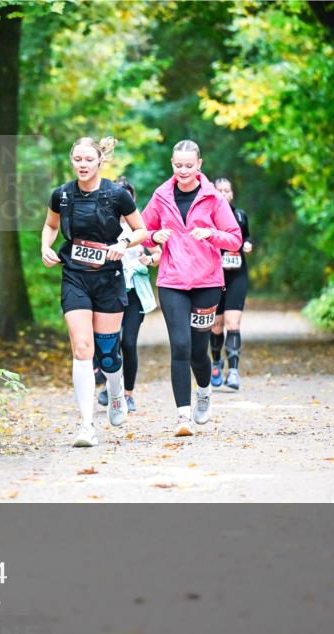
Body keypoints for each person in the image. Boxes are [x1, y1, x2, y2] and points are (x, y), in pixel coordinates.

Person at [41, 137, 148, 447]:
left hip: (108, 277)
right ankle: (86, 426)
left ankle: (116, 393)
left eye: (89, 159)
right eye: (77, 159)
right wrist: (45, 246)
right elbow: (50, 225)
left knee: (108, 353)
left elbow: (140, 230)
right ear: (72, 161)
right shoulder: (61, 195)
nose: (83, 164)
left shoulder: (116, 195)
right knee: (82, 348)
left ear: (100, 161)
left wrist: (123, 244)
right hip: (74, 275)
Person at [142, 140, 242, 437]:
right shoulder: (161, 195)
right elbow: (143, 232)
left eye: (188, 165)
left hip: (207, 283)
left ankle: (204, 390)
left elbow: (234, 239)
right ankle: (182, 417)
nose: (183, 171)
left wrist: (211, 233)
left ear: (199, 165)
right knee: (180, 346)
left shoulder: (213, 198)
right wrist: (154, 236)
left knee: (199, 351)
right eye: (177, 165)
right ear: (171, 163)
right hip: (172, 281)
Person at [95, 176, 161, 413]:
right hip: (108, 291)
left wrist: (149, 258)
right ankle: (111, 386)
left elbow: (159, 254)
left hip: (134, 294)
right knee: (107, 342)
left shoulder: (140, 226)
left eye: (127, 195)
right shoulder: (103, 224)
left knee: (128, 342)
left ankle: (129, 394)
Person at [210, 177, 252, 390]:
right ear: (213, 193)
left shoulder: (240, 215)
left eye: (227, 190)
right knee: (216, 326)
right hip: (213, 276)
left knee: (233, 324)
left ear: (232, 194)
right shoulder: (207, 217)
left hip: (236, 275)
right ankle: (216, 363)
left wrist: (247, 244)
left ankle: (233, 371)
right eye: (220, 190)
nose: (224, 194)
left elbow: (247, 237)